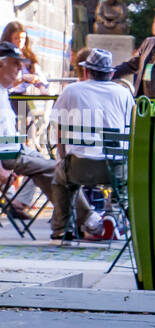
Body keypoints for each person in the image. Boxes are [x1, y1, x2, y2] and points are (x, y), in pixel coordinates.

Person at [48, 48, 134, 240]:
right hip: (114, 169)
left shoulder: (71, 91)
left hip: (79, 167)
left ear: (86, 72)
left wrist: (61, 158)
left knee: (60, 180)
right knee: (122, 182)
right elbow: (132, 128)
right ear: (111, 74)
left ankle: (63, 228)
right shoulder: (124, 93)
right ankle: (113, 216)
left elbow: (58, 128)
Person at [0, 41, 65, 237]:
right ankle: (85, 221)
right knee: (59, 170)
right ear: (1, 64)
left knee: (48, 173)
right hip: (7, 154)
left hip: (14, 149)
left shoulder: (4, 89)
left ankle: (71, 223)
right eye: (15, 63)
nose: (20, 68)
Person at [1, 21, 48, 91]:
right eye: (16, 38)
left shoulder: (28, 56)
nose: (19, 41)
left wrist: (40, 85)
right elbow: (5, 84)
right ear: (8, 38)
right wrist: (22, 79)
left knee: (23, 101)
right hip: (7, 94)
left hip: (21, 97)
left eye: (22, 38)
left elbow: (40, 77)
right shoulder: (4, 56)